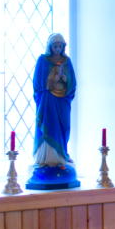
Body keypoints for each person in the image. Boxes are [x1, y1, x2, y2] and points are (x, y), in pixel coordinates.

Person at [32, 33, 76, 169]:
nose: (57, 49)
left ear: (63, 47)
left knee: (63, 127)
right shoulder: (43, 60)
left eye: (60, 46)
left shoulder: (66, 61)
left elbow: (72, 83)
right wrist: (52, 81)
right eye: (55, 46)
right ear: (50, 47)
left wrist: (63, 79)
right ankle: (47, 157)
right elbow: (37, 82)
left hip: (62, 101)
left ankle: (61, 154)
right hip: (47, 101)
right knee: (48, 124)